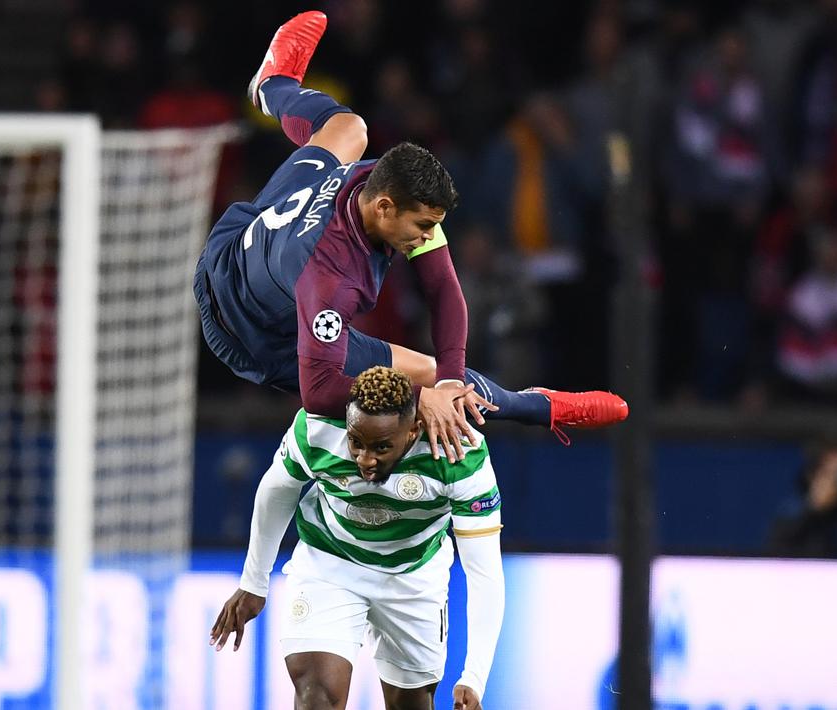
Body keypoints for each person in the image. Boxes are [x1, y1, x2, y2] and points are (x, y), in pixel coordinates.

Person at [194, 10, 628, 460]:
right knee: (423, 373)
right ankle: (537, 407)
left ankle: (272, 86)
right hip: (248, 327)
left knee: (348, 128)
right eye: (423, 226)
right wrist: (425, 397)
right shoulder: (331, 280)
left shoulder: (378, 182)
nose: (428, 237)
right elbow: (320, 393)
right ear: (384, 208)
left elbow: (442, 288)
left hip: (251, 234)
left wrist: (453, 381)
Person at [209, 367, 504, 710]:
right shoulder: (318, 427)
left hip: (412, 576)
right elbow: (277, 490)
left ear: (413, 431)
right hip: (330, 562)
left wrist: (474, 676)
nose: (365, 459)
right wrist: (254, 582)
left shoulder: (460, 453)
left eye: (381, 447)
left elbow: (484, 573)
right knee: (316, 694)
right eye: (356, 443)